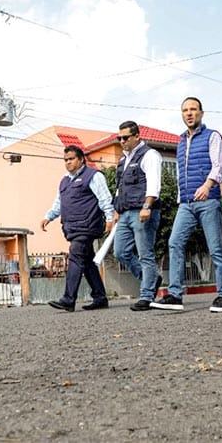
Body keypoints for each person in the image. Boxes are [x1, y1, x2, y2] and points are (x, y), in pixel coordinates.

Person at [151, 97, 222, 312]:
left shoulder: (212, 136)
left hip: (208, 200)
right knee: (174, 243)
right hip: (186, 204)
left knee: (215, 248)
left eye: (193, 109)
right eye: (185, 110)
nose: (189, 113)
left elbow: (218, 166)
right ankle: (175, 295)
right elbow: (181, 173)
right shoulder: (180, 142)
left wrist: (207, 185)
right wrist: (181, 198)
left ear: (201, 113)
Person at [40, 145, 115, 312]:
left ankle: (68, 299)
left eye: (71, 159)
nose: (68, 162)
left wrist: (110, 218)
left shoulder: (93, 176)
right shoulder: (64, 181)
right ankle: (100, 297)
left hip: (87, 226)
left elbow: (105, 199)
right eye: (65, 160)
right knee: (87, 261)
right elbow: (59, 203)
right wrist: (48, 216)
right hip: (72, 227)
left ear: (81, 160)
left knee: (75, 256)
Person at [111, 121, 163, 311]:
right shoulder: (123, 160)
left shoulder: (149, 155)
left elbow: (153, 183)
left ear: (136, 136)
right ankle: (152, 279)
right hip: (125, 213)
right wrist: (116, 211)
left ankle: (147, 296)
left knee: (145, 254)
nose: (122, 141)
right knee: (120, 252)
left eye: (125, 137)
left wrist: (147, 206)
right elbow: (120, 188)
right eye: (119, 138)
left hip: (143, 210)